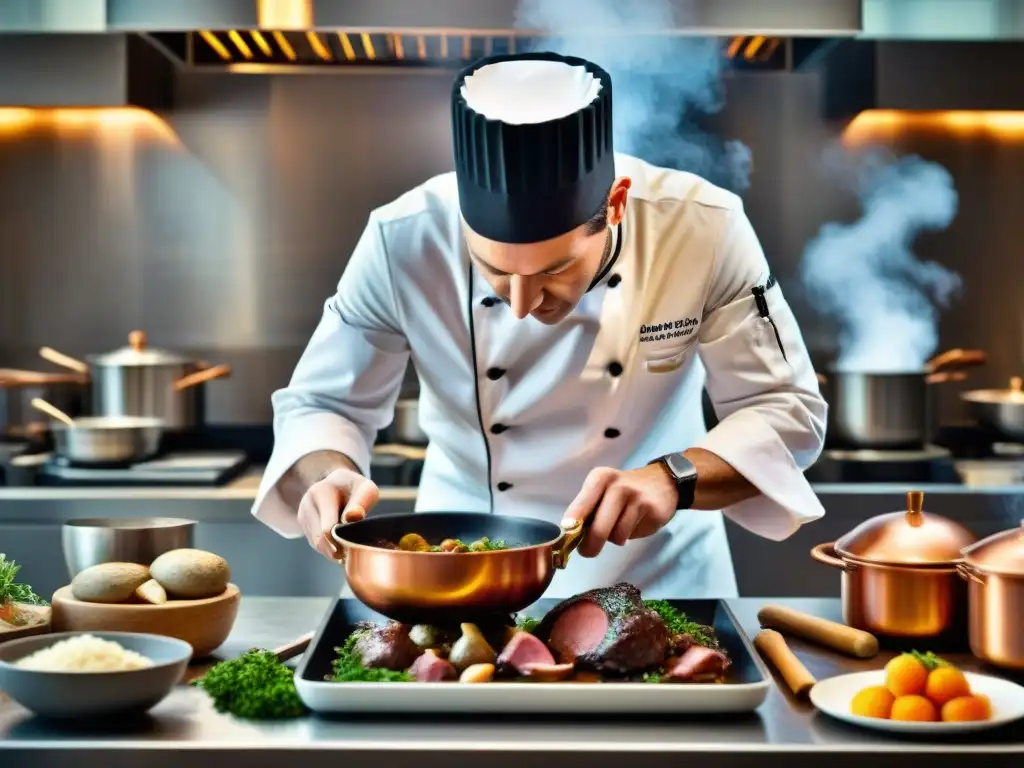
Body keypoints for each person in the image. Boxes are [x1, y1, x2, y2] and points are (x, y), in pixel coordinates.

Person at [251, 51, 827, 598]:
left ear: (617, 203)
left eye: (555, 269)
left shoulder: (704, 228)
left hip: (661, 580)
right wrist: (329, 475)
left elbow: (785, 409)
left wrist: (673, 478)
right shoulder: (402, 237)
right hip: (462, 578)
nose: (523, 305)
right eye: (493, 271)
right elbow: (323, 405)